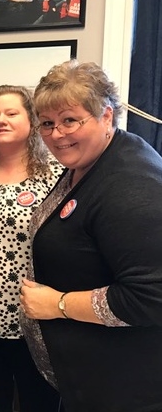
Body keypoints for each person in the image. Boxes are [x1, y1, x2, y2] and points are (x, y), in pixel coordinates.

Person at [19, 60, 162, 412]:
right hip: (92, 382)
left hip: (126, 391)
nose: (57, 134)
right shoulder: (88, 163)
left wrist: (59, 305)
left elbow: (152, 297)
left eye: (70, 120)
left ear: (107, 116)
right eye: (48, 124)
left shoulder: (132, 184)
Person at [0, 85, 62, 412]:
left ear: (32, 122)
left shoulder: (55, 176)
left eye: (10, 113)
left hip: (35, 323)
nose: (0, 120)